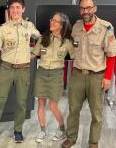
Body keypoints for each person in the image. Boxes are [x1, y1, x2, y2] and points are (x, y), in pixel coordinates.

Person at [0, 0, 40, 143]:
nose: (15, 10)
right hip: (6, 69)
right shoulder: (2, 29)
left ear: (23, 9)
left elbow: (41, 38)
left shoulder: (29, 26)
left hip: (23, 70)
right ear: (9, 10)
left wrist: (34, 54)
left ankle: (18, 131)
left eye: (18, 7)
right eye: (12, 7)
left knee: (21, 102)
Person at [62, 0, 116, 148]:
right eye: (82, 8)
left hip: (97, 76)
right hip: (78, 74)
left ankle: (93, 142)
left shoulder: (106, 28)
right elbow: (74, 49)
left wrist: (107, 78)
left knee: (96, 113)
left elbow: (112, 55)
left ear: (95, 8)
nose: (85, 11)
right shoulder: (76, 27)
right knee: (73, 109)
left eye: (88, 8)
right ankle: (71, 138)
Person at [31, 12, 74, 143]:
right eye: (52, 19)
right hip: (41, 73)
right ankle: (42, 130)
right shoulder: (43, 38)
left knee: (54, 106)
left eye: (55, 21)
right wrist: (16, 58)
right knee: (41, 104)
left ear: (62, 25)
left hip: (56, 74)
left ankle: (62, 129)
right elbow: (33, 54)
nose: (52, 22)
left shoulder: (67, 42)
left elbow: (76, 57)